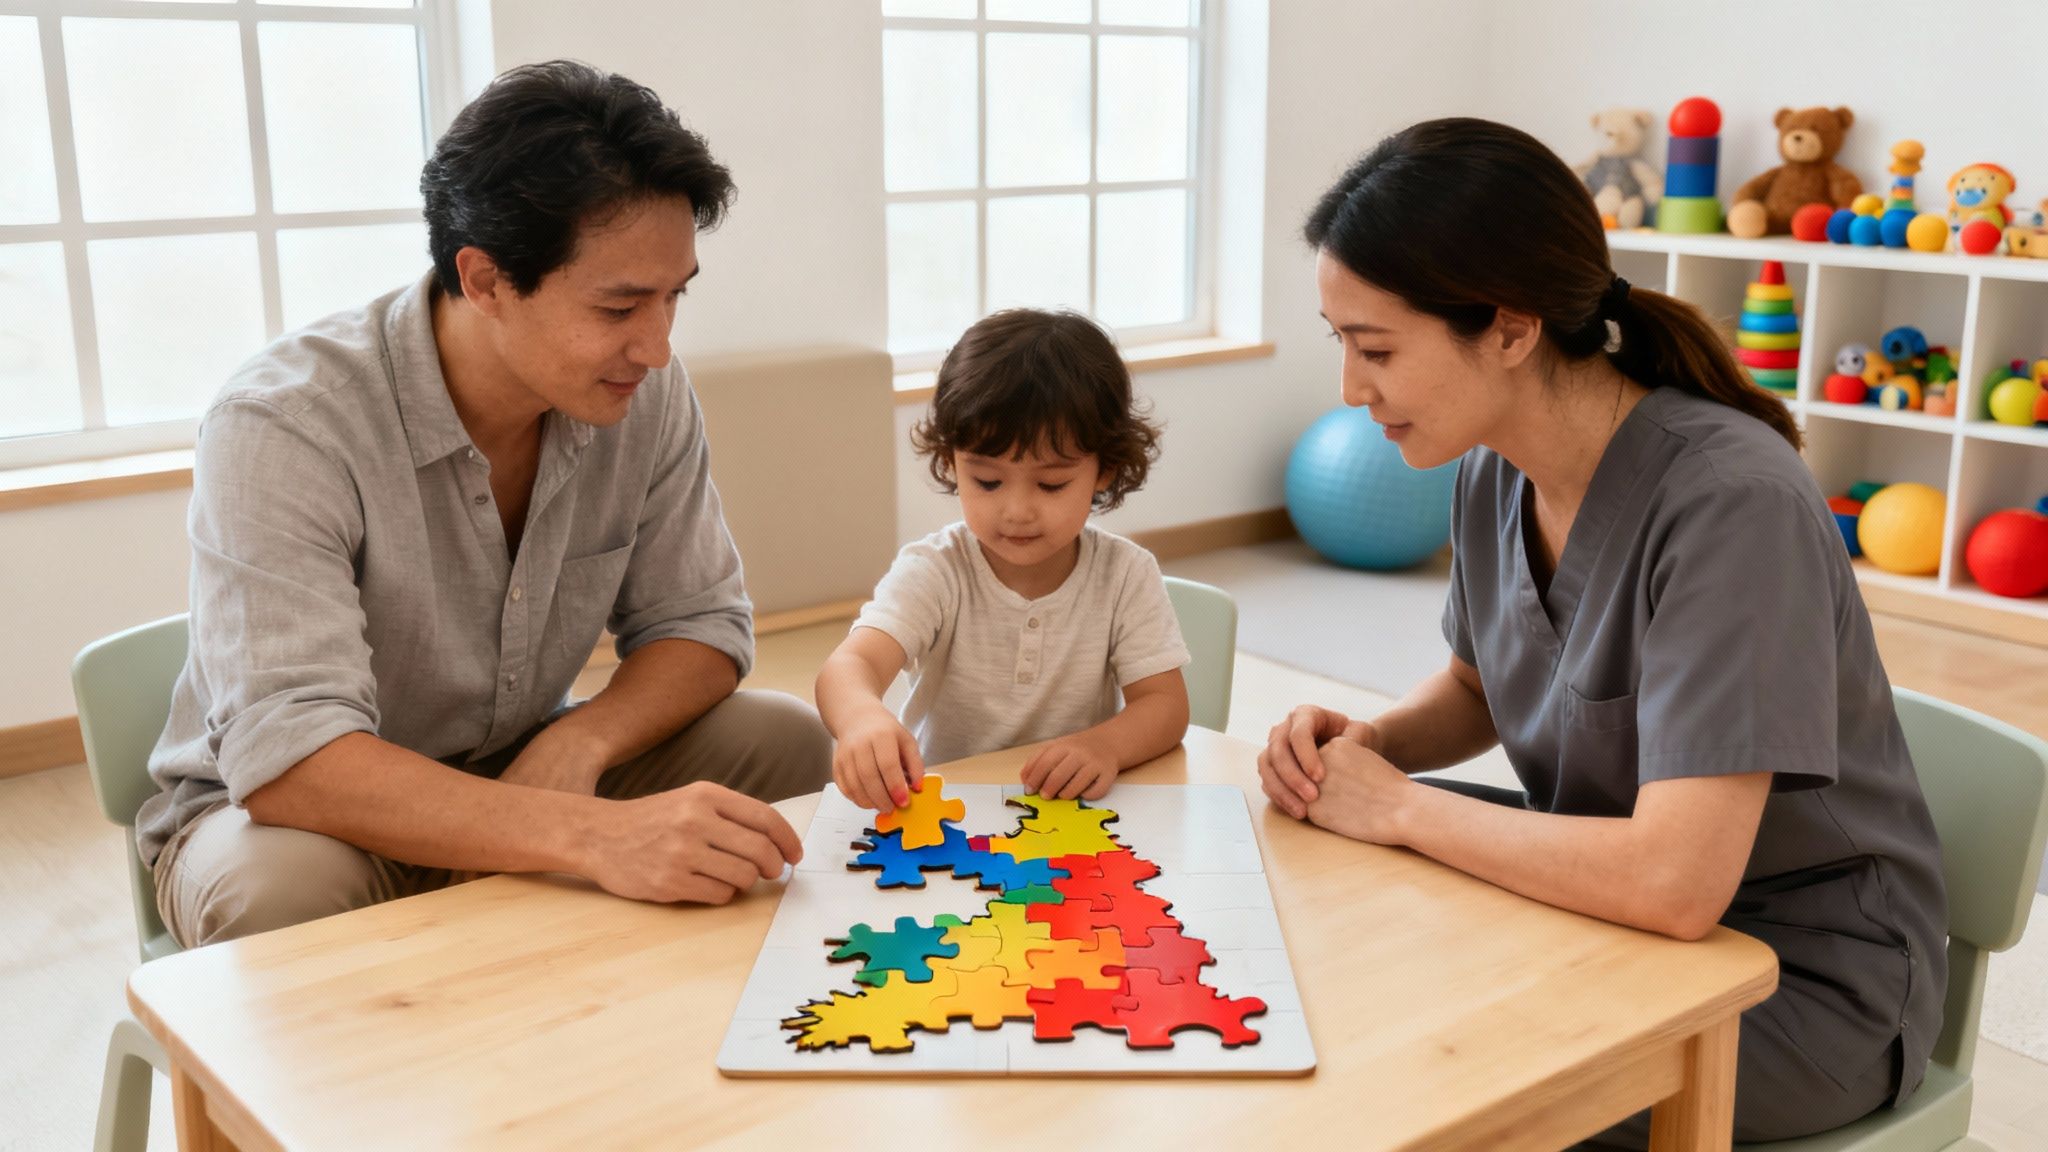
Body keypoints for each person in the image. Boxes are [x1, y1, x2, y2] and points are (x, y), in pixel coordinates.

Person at [1259, 119, 1946, 1146]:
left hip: (1790, 980)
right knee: (1322, 926)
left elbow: (1676, 886)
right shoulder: (1494, 461)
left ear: (1507, 327)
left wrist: (1399, 809)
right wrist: (1368, 751)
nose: (1351, 392)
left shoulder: (1729, 503)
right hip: (1600, 910)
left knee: (1411, 1062)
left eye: (1375, 350)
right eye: (1343, 346)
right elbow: (1481, 688)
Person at [137, 60, 832, 948]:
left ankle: (669, 1038)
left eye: (674, 297)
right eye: (620, 304)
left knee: (782, 742)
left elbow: (701, 625)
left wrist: (576, 748)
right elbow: (291, 761)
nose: (657, 347)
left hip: (519, 759)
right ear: (486, 279)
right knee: (281, 892)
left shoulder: (639, 391)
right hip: (298, 816)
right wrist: (588, 834)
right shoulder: (283, 424)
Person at [816, 309, 1191, 811]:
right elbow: (850, 664)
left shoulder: (1125, 575)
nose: (1016, 511)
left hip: (1065, 813)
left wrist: (1105, 746)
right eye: (987, 482)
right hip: (945, 811)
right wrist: (862, 717)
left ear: (1107, 469)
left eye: (1051, 483)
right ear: (952, 462)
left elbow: (1164, 705)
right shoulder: (936, 570)